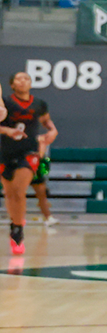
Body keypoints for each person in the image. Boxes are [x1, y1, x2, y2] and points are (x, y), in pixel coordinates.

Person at [3, 72, 53, 253]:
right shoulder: (5, 103)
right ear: (12, 85)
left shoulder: (39, 104)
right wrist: (7, 130)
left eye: (26, 78)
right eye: (18, 78)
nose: (23, 80)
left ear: (31, 83)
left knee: (18, 189)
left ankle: (18, 230)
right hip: (5, 152)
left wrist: (53, 131)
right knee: (9, 194)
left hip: (29, 150)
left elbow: (47, 122)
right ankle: (16, 221)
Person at [26, 80, 58, 228]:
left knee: (41, 192)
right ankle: (16, 218)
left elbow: (41, 154)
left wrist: (52, 130)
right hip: (16, 159)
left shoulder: (39, 137)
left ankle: (48, 217)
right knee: (13, 191)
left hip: (35, 164)